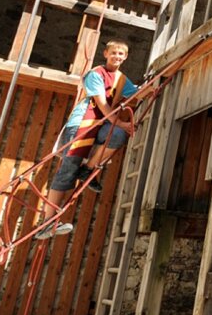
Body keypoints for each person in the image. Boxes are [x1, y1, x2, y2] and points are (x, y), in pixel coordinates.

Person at [35, 39, 139, 239]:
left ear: (125, 57)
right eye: (114, 52)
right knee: (66, 173)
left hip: (101, 125)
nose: (117, 56)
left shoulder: (122, 80)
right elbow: (101, 105)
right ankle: (48, 223)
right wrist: (122, 123)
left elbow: (138, 92)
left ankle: (89, 168)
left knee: (117, 135)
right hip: (82, 124)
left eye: (121, 54)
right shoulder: (95, 74)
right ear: (106, 54)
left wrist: (155, 87)